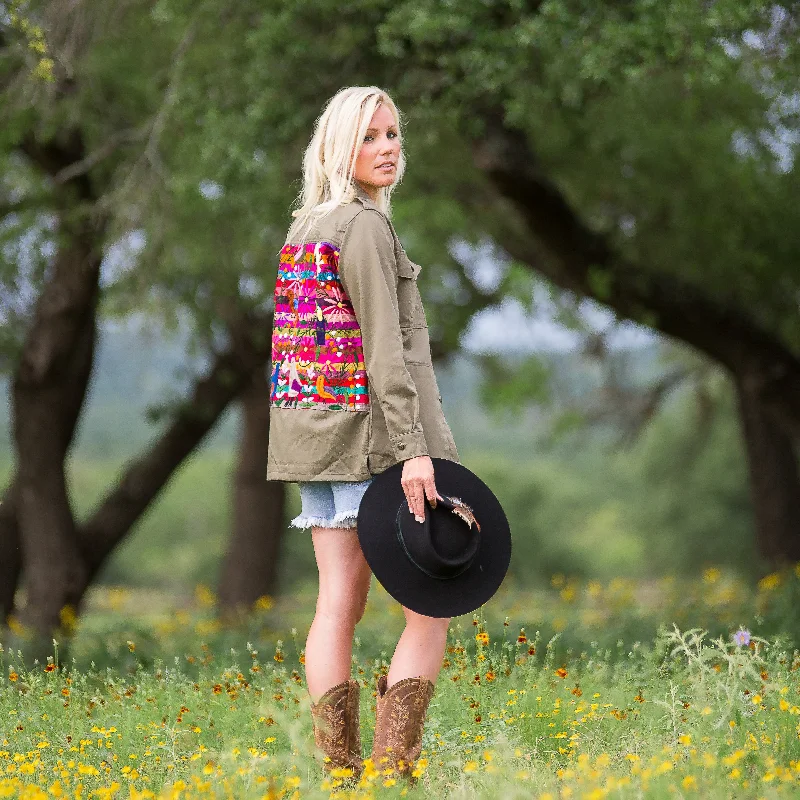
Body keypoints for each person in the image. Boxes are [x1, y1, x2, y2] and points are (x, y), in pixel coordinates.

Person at [266, 85, 461, 781]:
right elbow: (386, 352)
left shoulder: (304, 228)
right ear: (338, 145)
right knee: (432, 607)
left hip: (314, 446)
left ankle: (340, 776)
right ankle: (393, 771)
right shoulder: (365, 228)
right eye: (370, 136)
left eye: (392, 135)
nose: (387, 148)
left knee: (335, 610)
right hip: (370, 446)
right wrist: (416, 454)